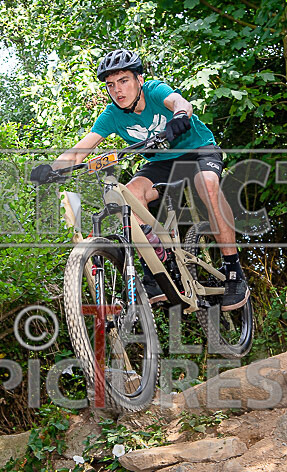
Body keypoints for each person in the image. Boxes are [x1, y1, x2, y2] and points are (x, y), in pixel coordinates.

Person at [31, 48, 249, 311]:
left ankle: (233, 269)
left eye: (124, 81)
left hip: (198, 150)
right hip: (161, 163)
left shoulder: (155, 91)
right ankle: (158, 268)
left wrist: (180, 116)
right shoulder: (112, 115)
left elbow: (180, 103)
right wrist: (51, 169)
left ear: (139, 80)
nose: (117, 90)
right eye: (111, 85)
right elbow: (81, 149)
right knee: (128, 195)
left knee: (207, 185)